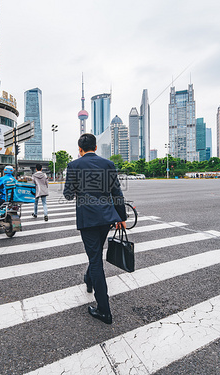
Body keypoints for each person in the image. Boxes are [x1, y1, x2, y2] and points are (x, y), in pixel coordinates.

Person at [63, 133, 126, 325]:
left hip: (88, 219)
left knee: (95, 259)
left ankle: (104, 310)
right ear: (96, 147)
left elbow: (67, 194)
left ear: (80, 149)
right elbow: (117, 192)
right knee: (96, 253)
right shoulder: (108, 164)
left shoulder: (74, 166)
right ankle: (88, 279)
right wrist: (121, 217)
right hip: (106, 217)